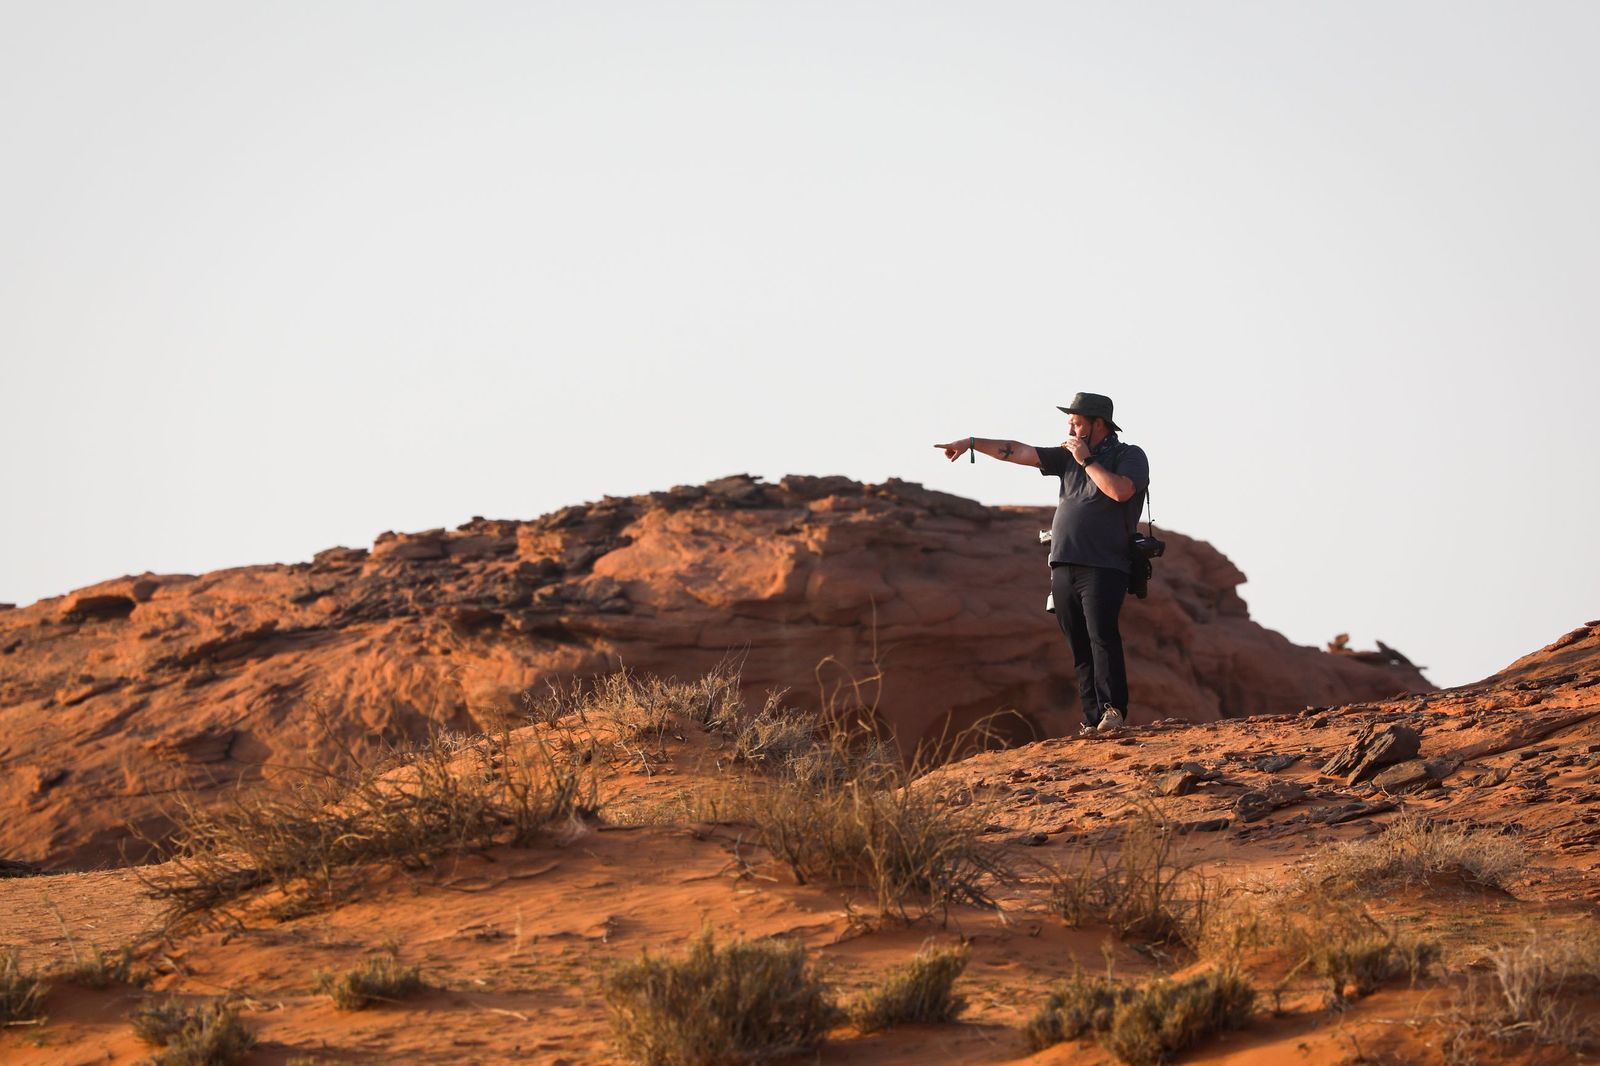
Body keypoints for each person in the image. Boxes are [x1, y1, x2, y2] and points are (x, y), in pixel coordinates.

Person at [935, 393, 1150, 734]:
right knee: (1077, 643)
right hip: (1063, 562)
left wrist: (1087, 461)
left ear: (1098, 424)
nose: (1070, 428)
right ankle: (1093, 720)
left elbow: (1120, 492)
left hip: (1104, 565)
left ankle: (1113, 712)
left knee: (1102, 637)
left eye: (1076, 422)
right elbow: (1020, 451)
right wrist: (971, 443)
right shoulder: (1067, 457)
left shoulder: (1128, 455)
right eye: (1069, 422)